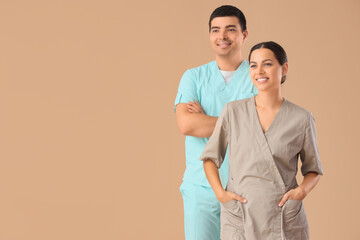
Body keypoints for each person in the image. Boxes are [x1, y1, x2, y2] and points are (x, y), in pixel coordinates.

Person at [200, 41, 324, 240]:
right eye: (253, 65)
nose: (259, 71)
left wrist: (300, 192)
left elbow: (313, 170)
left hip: (282, 216)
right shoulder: (233, 111)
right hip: (240, 214)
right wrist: (220, 194)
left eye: (267, 64)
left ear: (284, 68)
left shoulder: (302, 119)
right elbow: (210, 159)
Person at [174, 5, 257, 240]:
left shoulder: (256, 77)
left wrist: (207, 119)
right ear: (210, 35)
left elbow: (261, 128)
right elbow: (186, 125)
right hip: (201, 189)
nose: (222, 36)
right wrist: (241, 120)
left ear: (244, 34)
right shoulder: (193, 77)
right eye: (215, 30)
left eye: (230, 30)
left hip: (247, 191)